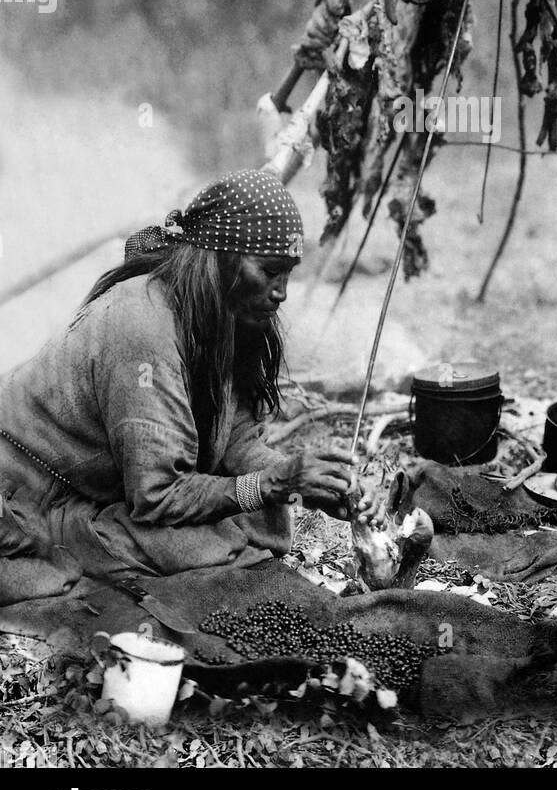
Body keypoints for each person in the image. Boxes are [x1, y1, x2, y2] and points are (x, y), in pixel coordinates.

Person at [0, 169, 367, 589]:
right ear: (223, 258)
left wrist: (305, 481)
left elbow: (237, 442)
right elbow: (157, 496)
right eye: (269, 271)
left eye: (288, 272)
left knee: (262, 514)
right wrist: (272, 483)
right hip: (26, 498)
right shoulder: (142, 324)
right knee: (192, 543)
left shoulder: (224, 315)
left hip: (112, 490)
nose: (282, 291)